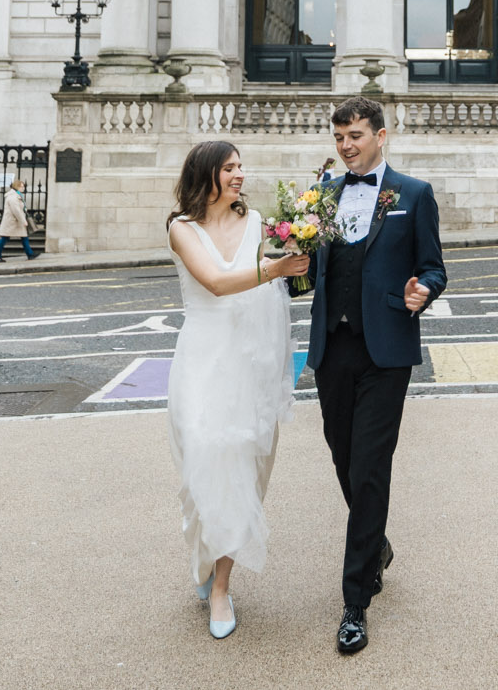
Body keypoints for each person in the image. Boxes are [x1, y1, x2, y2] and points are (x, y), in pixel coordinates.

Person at [307, 97, 447, 656]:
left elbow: (433, 266)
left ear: (381, 136)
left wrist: (424, 290)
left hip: (386, 350)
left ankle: (356, 599)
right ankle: (377, 545)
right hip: (332, 349)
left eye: (356, 136)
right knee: (343, 457)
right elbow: (310, 272)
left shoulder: (414, 195)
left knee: (369, 468)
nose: (346, 146)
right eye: (339, 137)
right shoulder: (322, 195)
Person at [165, 140, 311, 640]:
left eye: (240, 167)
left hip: (250, 362)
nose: (239, 175)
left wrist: (297, 264)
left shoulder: (258, 223)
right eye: (229, 168)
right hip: (204, 362)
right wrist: (274, 269)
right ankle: (207, 556)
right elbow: (217, 283)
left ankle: (222, 585)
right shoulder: (180, 229)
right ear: (205, 175)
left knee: (243, 468)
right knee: (204, 460)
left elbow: (272, 287)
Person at [0, 179, 35, 262]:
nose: (23, 188)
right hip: (12, 222)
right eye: (22, 187)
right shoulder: (13, 197)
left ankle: (30, 254)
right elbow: (16, 211)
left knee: (24, 237)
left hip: (15, 222)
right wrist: (24, 221)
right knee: (4, 238)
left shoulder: (17, 195)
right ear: (17, 187)